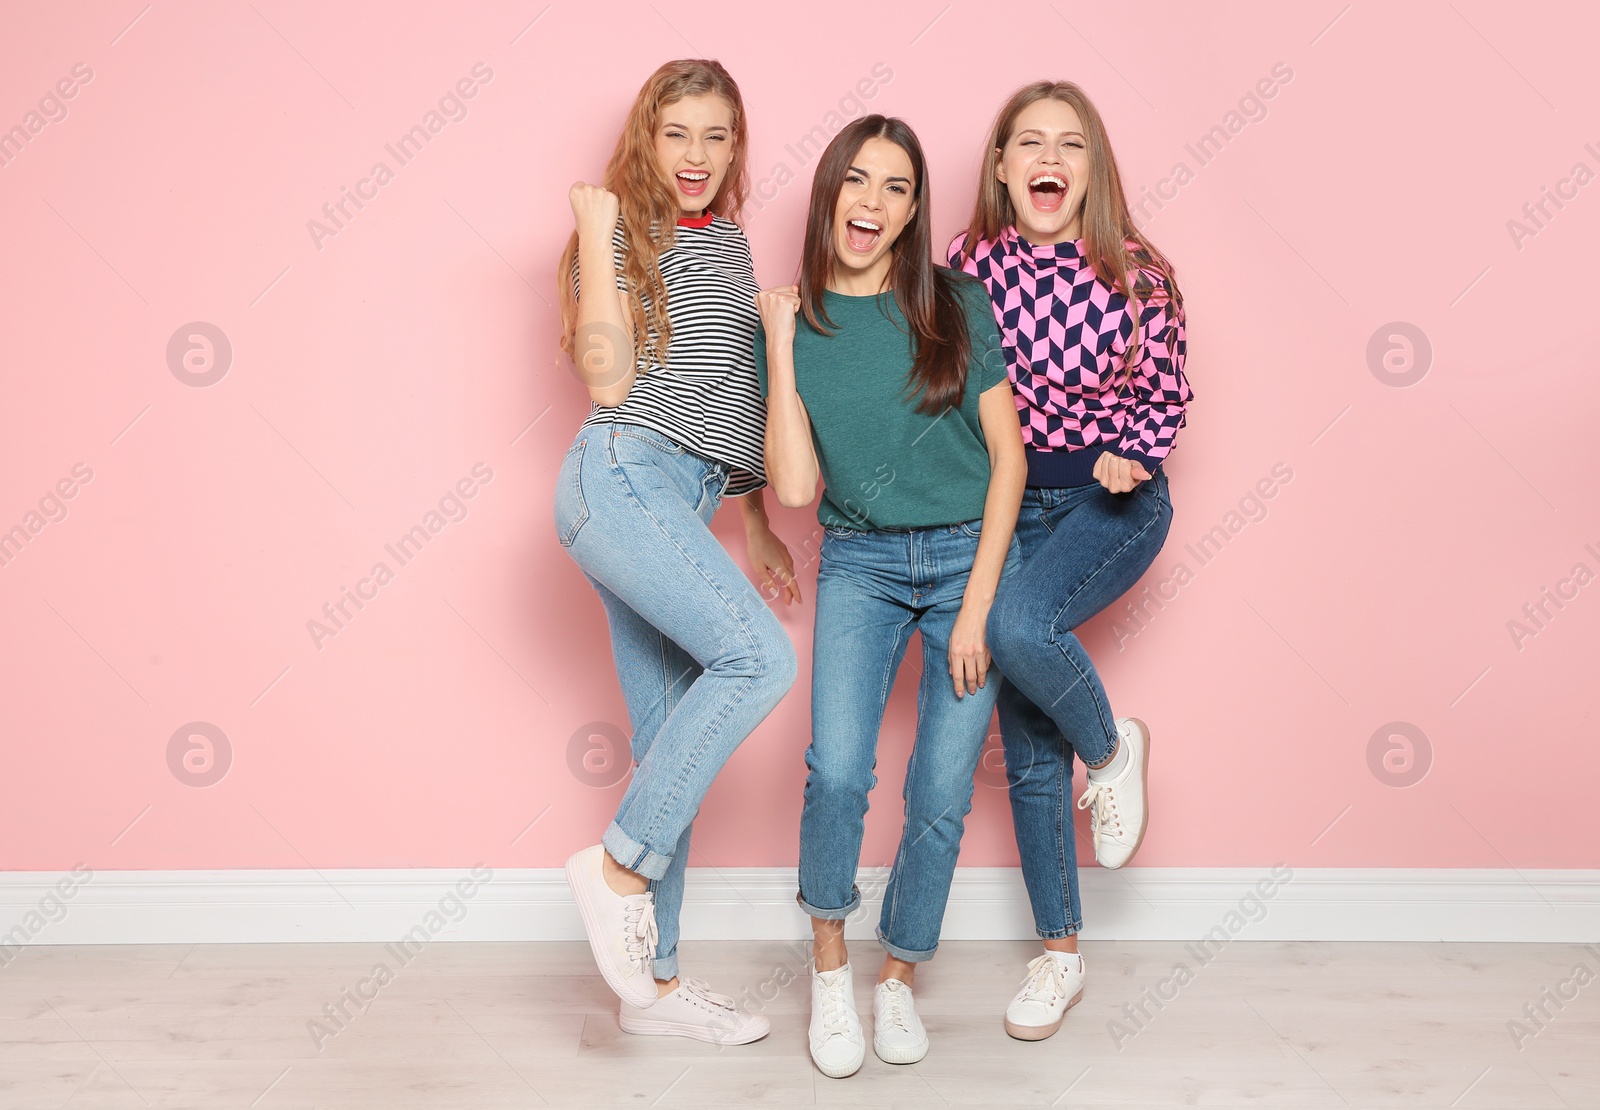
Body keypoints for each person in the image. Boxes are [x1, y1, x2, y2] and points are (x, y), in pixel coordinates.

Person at [758, 114, 1025, 1077]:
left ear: (914, 210)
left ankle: (900, 973)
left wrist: (979, 601)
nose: (871, 203)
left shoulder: (954, 303)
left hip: (965, 560)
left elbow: (1009, 458)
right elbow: (793, 489)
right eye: (857, 182)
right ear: (828, 190)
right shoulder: (790, 321)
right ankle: (831, 971)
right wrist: (783, 345)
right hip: (861, 565)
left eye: (897, 188)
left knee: (943, 792)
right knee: (837, 773)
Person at [553, 58, 801, 1046]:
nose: (697, 156)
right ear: (644, 140)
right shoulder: (619, 231)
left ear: (735, 146)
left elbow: (725, 390)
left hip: (682, 499)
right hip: (617, 474)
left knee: (671, 749)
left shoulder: (730, 243)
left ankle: (651, 990)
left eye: (717, 135)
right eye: (677, 133)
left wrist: (753, 522)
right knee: (759, 660)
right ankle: (614, 869)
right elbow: (612, 385)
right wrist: (595, 228)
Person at [949, 80, 1194, 1041]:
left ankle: (1113, 747)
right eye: (1029, 143)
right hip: (1012, 507)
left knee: (1016, 630)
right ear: (1003, 167)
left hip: (1109, 501)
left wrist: (1131, 447)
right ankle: (1060, 958)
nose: (1049, 158)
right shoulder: (966, 267)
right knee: (1025, 733)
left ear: (1091, 168)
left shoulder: (1138, 268)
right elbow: (938, 381)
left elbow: (1166, 383)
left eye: (1070, 145)